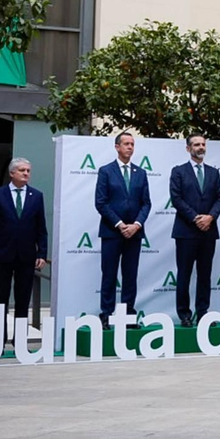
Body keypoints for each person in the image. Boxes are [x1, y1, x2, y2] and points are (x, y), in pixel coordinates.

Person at [0, 157, 48, 348]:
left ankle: (20, 340)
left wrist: (41, 253)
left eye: (28, 170)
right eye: (22, 170)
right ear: (12, 173)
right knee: (0, 299)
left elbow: (40, 228)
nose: (26, 173)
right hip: (2, 255)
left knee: (22, 300)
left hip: (26, 256)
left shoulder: (36, 196)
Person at [169, 132, 220, 327]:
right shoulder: (178, 171)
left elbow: (219, 198)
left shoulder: (213, 172)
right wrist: (195, 218)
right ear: (188, 148)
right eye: (196, 144)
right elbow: (176, 199)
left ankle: (203, 313)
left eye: (203, 144)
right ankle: (184, 314)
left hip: (208, 231)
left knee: (204, 274)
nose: (201, 147)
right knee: (184, 274)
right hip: (186, 232)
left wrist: (210, 217)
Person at [95, 132, 150, 324]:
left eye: (132, 144)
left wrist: (136, 225)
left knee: (130, 275)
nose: (130, 147)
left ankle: (128, 314)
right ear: (117, 147)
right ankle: (106, 314)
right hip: (112, 232)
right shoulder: (106, 171)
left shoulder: (140, 173)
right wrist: (119, 224)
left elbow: (146, 203)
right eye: (126, 144)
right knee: (109, 274)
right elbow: (101, 202)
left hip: (134, 233)